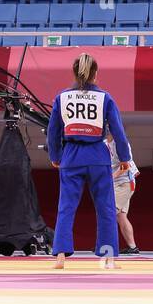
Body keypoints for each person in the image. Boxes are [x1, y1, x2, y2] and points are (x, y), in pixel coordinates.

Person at [47, 53, 132, 270]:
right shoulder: (105, 97)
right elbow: (118, 132)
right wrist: (124, 158)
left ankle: (60, 257)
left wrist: (55, 156)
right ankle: (109, 257)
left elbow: (53, 132)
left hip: (71, 155)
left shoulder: (62, 97)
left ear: (74, 73)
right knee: (105, 207)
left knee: (66, 207)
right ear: (96, 74)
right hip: (97, 155)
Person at [106, 132, 140, 255]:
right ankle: (132, 247)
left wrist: (109, 177)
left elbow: (125, 166)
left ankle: (107, 245)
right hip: (115, 183)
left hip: (125, 183)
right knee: (121, 216)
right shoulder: (104, 143)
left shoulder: (121, 143)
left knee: (109, 212)